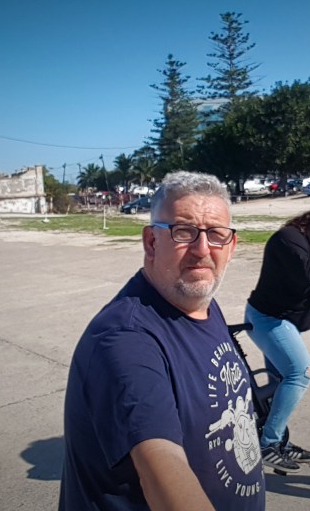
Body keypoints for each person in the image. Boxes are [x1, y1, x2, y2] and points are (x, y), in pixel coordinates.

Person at [60, 171, 265, 511]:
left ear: (231, 247)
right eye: (184, 232)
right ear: (152, 242)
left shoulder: (200, 303)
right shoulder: (124, 339)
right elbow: (160, 464)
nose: (202, 250)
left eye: (216, 234)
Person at [245, 205, 310, 472]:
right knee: (301, 373)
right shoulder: (289, 238)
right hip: (267, 319)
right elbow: (307, 274)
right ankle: (268, 444)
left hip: (284, 323)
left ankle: (279, 440)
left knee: (279, 385)